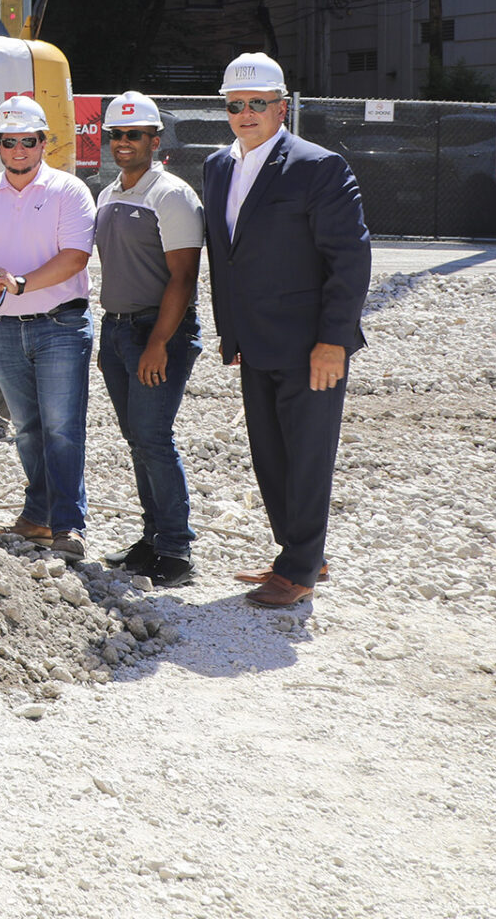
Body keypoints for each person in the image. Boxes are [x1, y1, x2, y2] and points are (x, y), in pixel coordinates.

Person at [201, 52, 370, 607]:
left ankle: (299, 570)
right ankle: (299, 552)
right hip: (253, 340)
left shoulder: (319, 167)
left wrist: (334, 340)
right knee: (270, 453)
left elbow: (349, 260)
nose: (246, 113)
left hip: (309, 345)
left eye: (258, 103)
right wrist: (231, 332)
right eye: (235, 104)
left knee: (307, 454)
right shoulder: (218, 166)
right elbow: (226, 257)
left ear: (282, 106)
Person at [0, 95, 98, 557]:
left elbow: (75, 257)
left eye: (29, 141)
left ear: (43, 144)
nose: (20, 150)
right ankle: (38, 516)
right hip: (5, 326)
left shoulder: (69, 191)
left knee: (61, 427)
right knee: (27, 429)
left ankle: (68, 525)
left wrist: (19, 283)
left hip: (60, 324)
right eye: (10, 141)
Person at [91, 92, 204, 586]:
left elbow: (183, 278)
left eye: (134, 134)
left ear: (155, 140)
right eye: (116, 134)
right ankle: (152, 538)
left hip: (157, 333)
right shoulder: (108, 193)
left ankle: (176, 551)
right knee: (137, 438)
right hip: (116, 328)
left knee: (155, 439)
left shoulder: (171, 194)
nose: (123, 142)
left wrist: (159, 343)